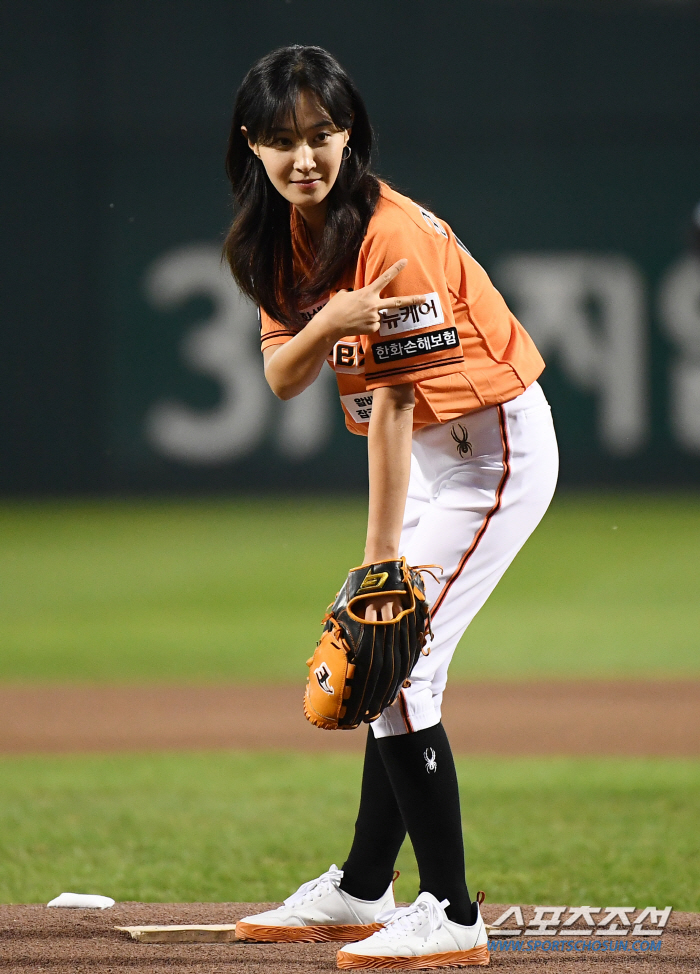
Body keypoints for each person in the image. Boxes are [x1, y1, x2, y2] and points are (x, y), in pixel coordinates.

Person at [223, 45, 558, 970]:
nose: (306, 157)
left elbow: (398, 402)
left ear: (349, 136)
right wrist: (328, 324)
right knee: (380, 668)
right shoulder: (274, 233)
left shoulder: (390, 238)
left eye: (323, 134)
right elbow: (284, 376)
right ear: (252, 145)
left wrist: (379, 564)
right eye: (284, 140)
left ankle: (451, 912)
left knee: (397, 662)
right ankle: (363, 888)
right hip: (432, 457)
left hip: (493, 454)